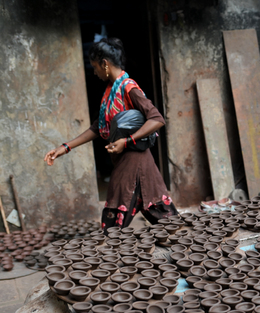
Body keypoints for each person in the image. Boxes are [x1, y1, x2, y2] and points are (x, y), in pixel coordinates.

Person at [44, 37, 178, 232]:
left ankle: (190, 252)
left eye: (95, 67)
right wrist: (65, 148)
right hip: (134, 162)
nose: (95, 72)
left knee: (114, 220)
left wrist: (127, 141)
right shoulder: (110, 91)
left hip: (133, 159)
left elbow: (157, 119)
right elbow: (98, 128)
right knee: (162, 214)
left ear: (105, 64)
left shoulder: (128, 88)